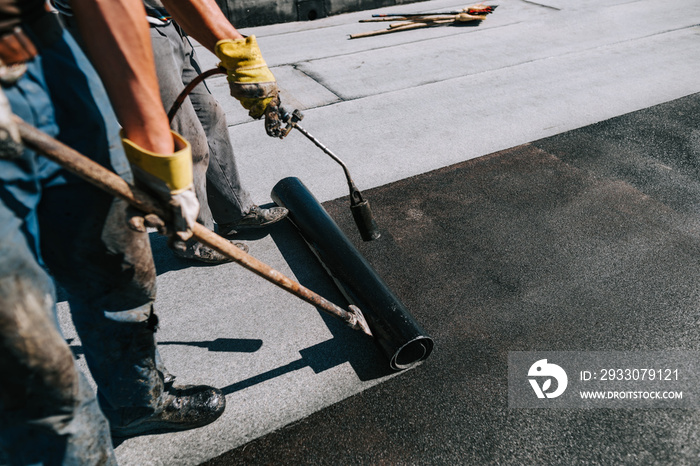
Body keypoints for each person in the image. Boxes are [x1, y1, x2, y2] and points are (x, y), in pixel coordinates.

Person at [0, 0, 279, 461]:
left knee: (116, 259)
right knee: (24, 358)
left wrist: (153, 149)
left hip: (41, 54)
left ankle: (136, 400)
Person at [53, 0, 289, 264]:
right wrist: (236, 49)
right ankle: (194, 238)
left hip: (166, 20)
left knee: (210, 117)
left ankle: (235, 211)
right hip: (121, 26)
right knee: (183, 139)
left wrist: (232, 49)